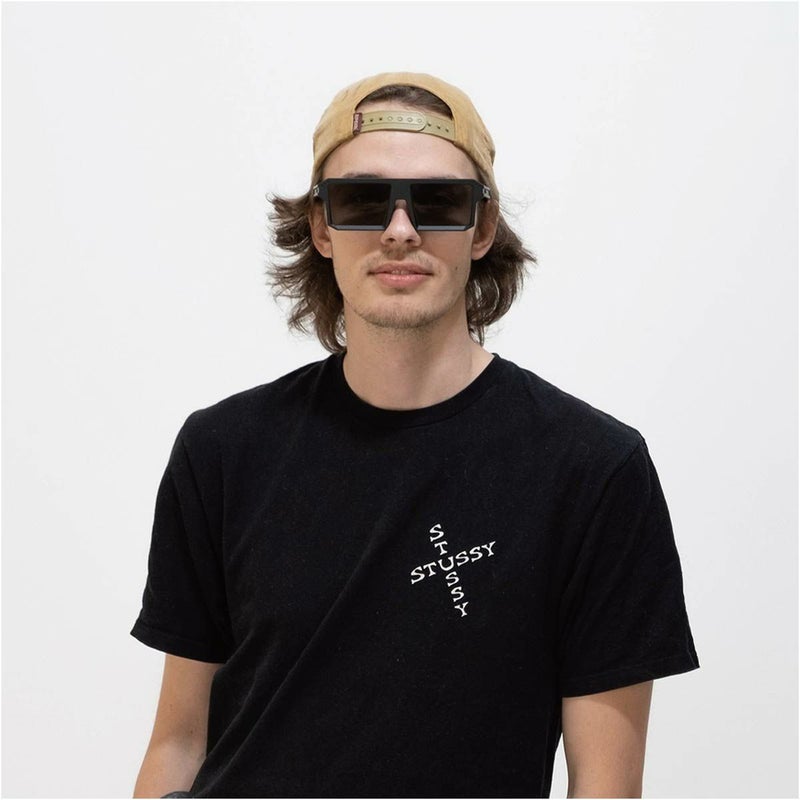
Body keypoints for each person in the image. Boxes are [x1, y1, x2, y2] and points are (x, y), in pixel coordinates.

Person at [131, 72, 700, 799]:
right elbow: (179, 743)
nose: (400, 230)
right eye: (363, 201)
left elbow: (606, 786)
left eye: (438, 202)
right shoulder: (221, 450)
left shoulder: (593, 471)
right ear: (321, 228)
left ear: (482, 228)